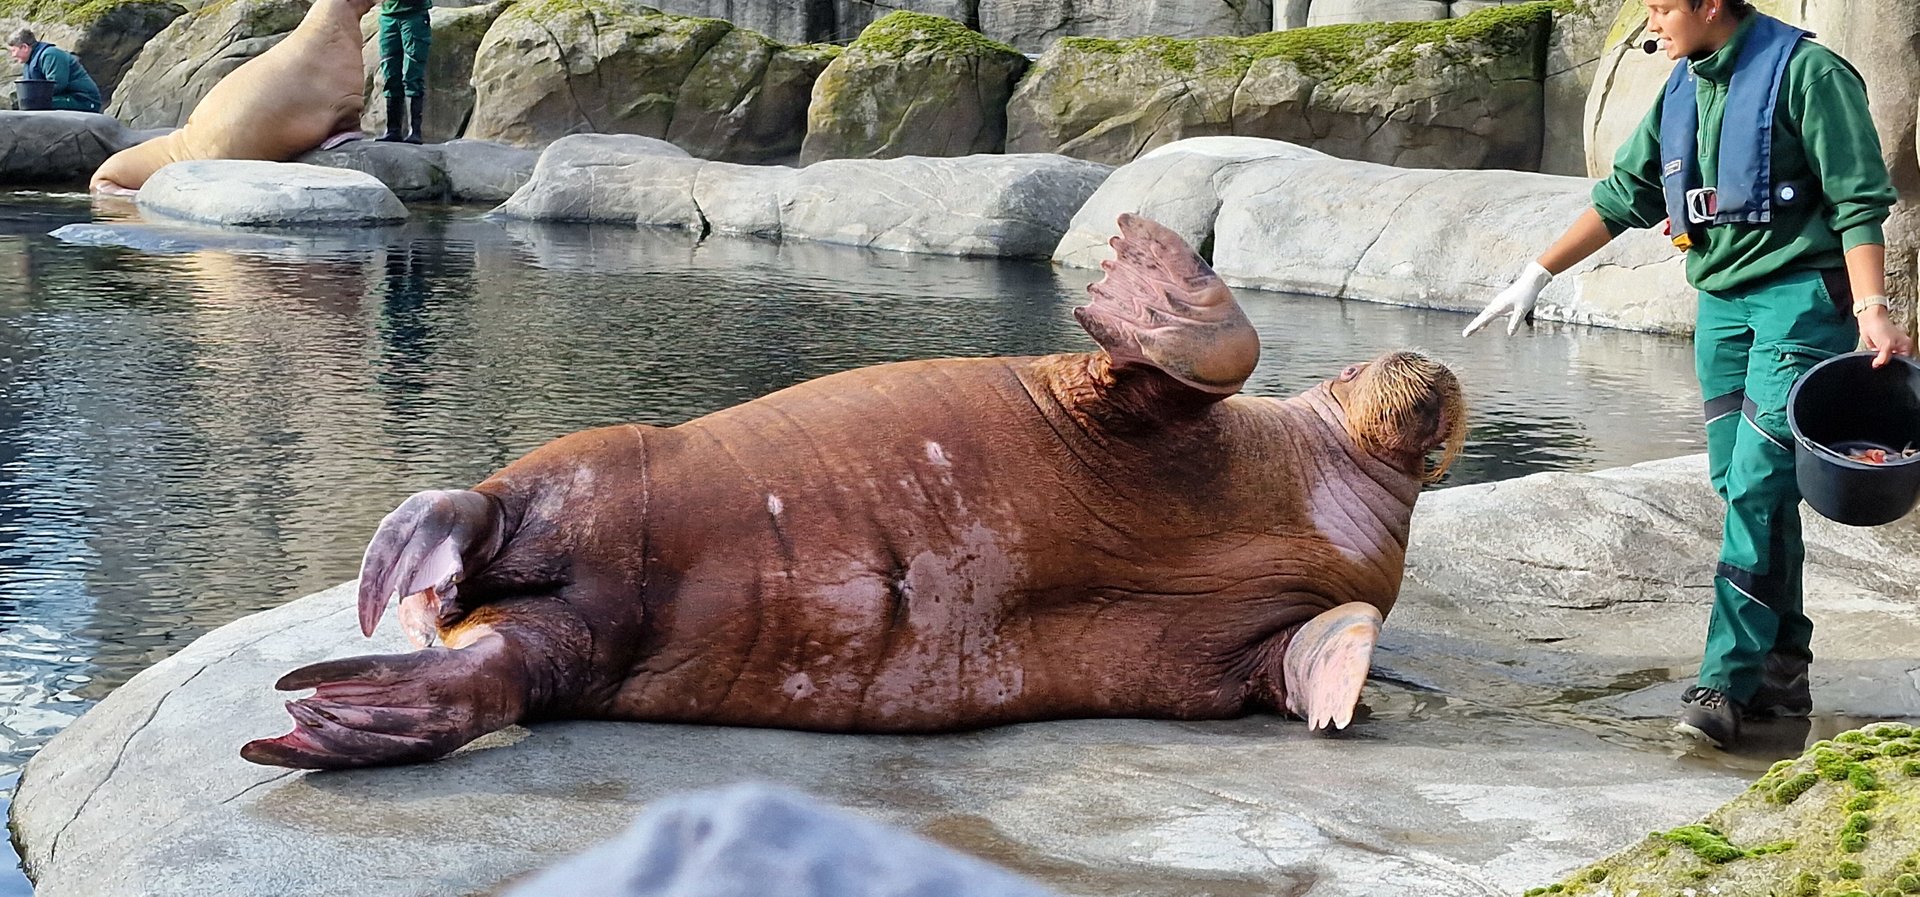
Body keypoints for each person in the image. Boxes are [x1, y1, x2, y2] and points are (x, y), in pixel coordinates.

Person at [1463, 0, 1915, 749]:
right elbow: (1625, 196)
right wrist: (1535, 272)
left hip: (1800, 302)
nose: (1653, 19)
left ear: (1712, 6)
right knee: (1741, 484)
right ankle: (1781, 667)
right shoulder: (1683, 84)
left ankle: (1724, 682)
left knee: (1761, 486)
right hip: (1722, 306)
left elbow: (1859, 200)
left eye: (1665, 6)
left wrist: (1871, 304)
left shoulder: (1809, 74)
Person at [375, 0, 431, 143]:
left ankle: (415, 131)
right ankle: (393, 130)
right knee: (390, 73)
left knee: (412, 73)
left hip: (414, 15)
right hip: (388, 16)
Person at [7, 30, 101, 113]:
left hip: (83, 100)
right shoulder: (30, 61)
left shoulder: (50, 55)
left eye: (13, 51)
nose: (13, 55)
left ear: (24, 47)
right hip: (63, 97)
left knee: (31, 104)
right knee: (18, 102)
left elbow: (57, 85)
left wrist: (29, 98)